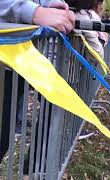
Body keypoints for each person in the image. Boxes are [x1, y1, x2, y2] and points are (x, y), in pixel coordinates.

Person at [0, 0, 75, 165]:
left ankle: (31, 164)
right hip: (11, 62)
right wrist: (33, 12)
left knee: (3, 137)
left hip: (20, 63)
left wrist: (53, 7)